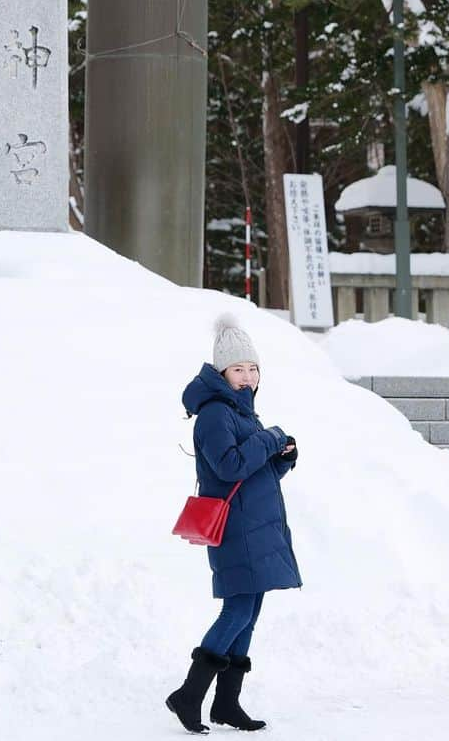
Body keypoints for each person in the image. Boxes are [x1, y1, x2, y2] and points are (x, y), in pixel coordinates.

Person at [166, 313, 301, 734]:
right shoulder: (214, 415)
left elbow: (251, 475)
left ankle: (226, 703)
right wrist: (271, 438)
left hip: (255, 524)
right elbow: (228, 467)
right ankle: (189, 695)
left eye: (252, 369)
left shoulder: (242, 415)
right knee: (238, 609)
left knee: (250, 610)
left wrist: (283, 459)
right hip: (237, 530)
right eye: (238, 369)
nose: (247, 377)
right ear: (221, 373)